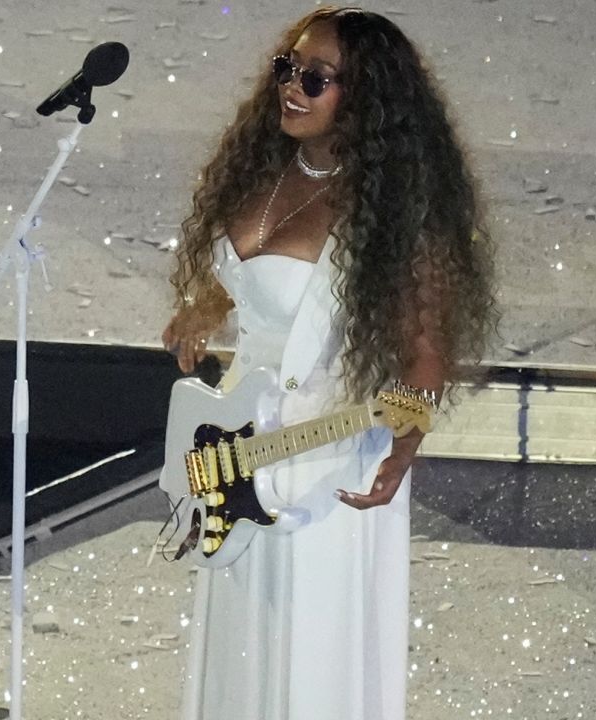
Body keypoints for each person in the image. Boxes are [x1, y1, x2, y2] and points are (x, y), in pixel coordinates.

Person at [162, 7, 496, 719]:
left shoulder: (398, 212)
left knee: (309, 654)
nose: (293, 88)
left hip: (326, 461)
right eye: (288, 68)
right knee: (241, 648)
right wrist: (207, 306)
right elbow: (255, 275)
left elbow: (427, 351)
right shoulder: (267, 171)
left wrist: (404, 447)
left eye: (317, 79)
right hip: (237, 454)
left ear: (367, 98)